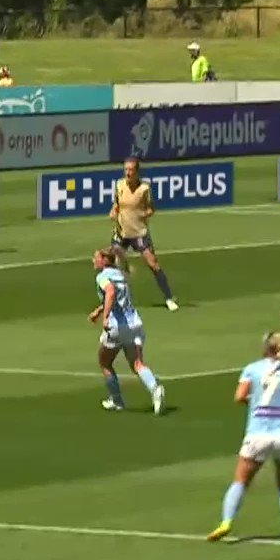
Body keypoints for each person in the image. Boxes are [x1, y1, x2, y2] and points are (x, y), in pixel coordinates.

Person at [207, 331, 280, 543]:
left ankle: (226, 522)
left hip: (256, 434)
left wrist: (257, 403)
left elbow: (239, 397)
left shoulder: (252, 369)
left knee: (241, 481)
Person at [88, 247, 165, 415]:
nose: (93, 261)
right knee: (137, 363)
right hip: (134, 324)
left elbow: (111, 292)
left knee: (105, 362)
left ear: (104, 260)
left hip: (117, 326)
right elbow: (118, 299)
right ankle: (155, 389)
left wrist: (106, 316)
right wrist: (99, 310)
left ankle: (117, 400)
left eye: (96, 258)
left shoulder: (103, 276)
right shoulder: (120, 275)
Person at [109, 157, 178, 311]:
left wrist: (144, 214)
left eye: (131, 170)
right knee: (113, 265)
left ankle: (169, 297)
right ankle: (114, 300)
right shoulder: (119, 185)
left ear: (137, 172)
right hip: (121, 232)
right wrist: (113, 211)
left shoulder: (144, 189)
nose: (127, 173)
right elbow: (116, 204)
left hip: (139, 232)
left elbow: (151, 209)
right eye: (126, 169)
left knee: (153, 263)